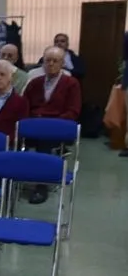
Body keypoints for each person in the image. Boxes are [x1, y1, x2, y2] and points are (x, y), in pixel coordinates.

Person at [22, 46, 81, 204]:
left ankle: (41, 187)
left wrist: (51, 123)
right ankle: (8, 179)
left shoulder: (71, 83)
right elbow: (24, 106)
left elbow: (73, 111)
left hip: (56, 128)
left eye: (55, 61)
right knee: (12, 137)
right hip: (33, 126)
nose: (51, 64)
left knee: (44, 142)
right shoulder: (35, 82)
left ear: (62, 63)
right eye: (48, 60)